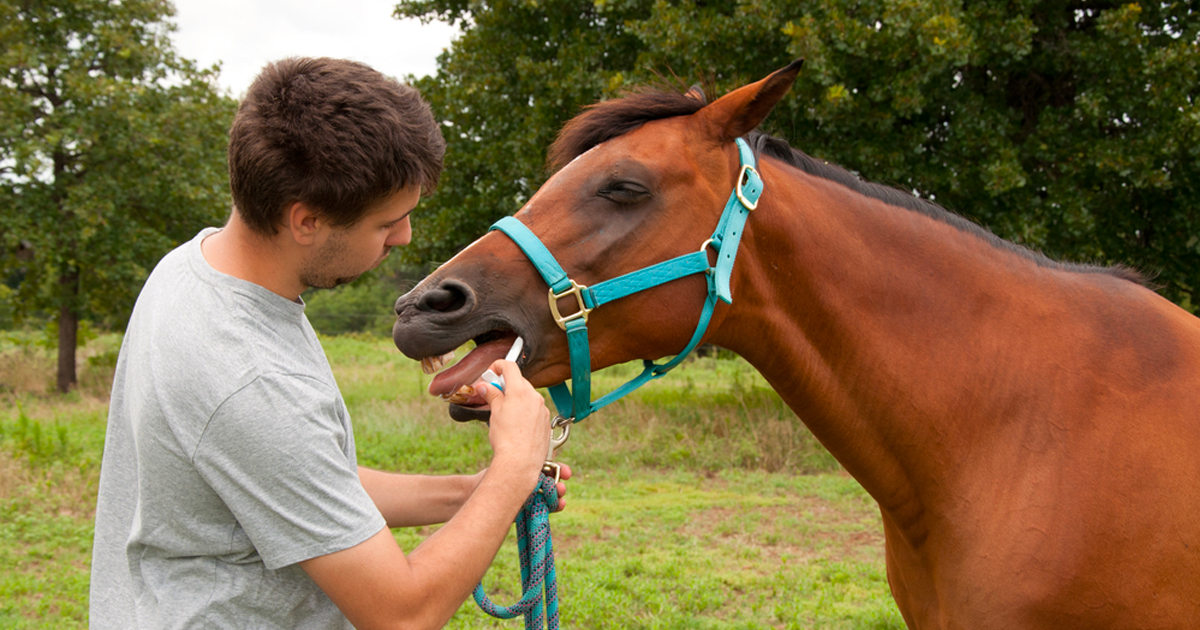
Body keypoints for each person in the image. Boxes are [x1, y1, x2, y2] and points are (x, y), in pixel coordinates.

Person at [89, 57, 568, 630]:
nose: (404, 236)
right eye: (385, 223)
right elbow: (402, 614)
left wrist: (475, 493)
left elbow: (302, 479)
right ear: (306, 221)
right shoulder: (253, 380)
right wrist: (514, 466)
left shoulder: (192, 269)